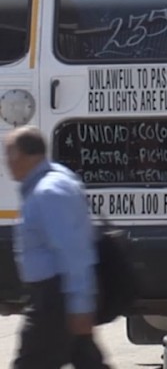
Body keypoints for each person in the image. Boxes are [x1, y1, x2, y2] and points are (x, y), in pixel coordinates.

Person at [4, 126, 111, 369]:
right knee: (88, 363)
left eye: (11, 154)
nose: (7, 162)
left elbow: (73, 252)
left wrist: (80, 305)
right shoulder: (51, 181)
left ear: (28, 156)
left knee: (29, 364)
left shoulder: (49, 192)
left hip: (55, 300)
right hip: (55, 297)